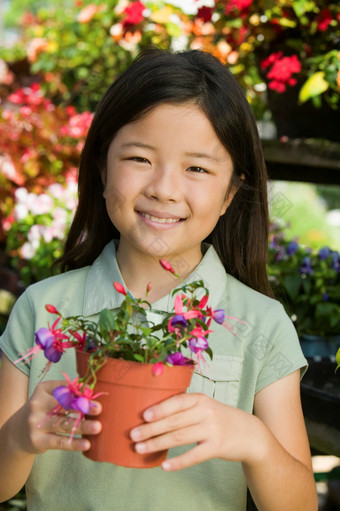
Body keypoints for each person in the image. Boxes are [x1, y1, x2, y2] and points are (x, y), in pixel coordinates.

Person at [0, 48, 318, 511]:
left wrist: (254, 441)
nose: (164, 189)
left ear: (231, 192)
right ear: (102, 166)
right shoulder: (43, 308)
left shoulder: (260, 325)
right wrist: (18, 437)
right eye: (139, 158)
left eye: (197, 168)